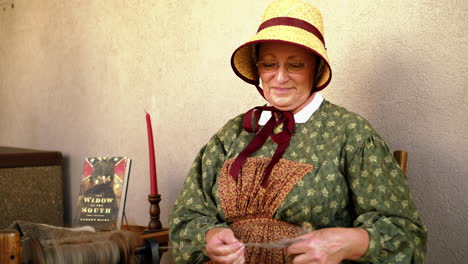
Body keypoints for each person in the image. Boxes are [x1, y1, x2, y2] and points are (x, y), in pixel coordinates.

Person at [169, 0, 427, 263]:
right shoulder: (233, 133)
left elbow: (408, 238)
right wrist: (209, 236)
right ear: (258, 68)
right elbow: (186, 218)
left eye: (295, 65)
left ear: (315, 69)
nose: (279, 78)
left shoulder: (351, 134)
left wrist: (349, 243)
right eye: (269, 64)